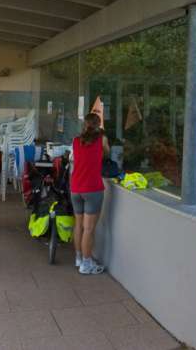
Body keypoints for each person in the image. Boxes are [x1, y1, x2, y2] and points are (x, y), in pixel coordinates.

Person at [70, 112, 108, 275]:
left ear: (84, 125)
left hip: (75, 187)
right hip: (92, 188)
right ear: (98, 125)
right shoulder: (102, 139)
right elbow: (106, 154)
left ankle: (79, 258)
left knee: (78, 225)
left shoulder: (76, 141)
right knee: (89, 229)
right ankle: (86, 264)